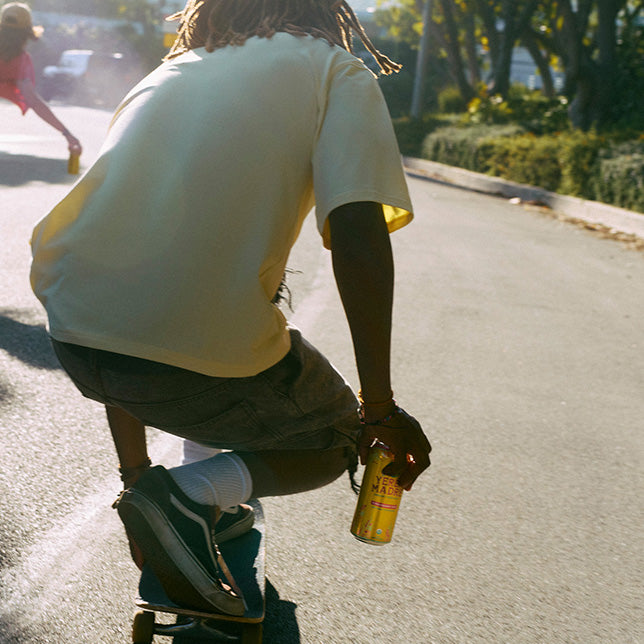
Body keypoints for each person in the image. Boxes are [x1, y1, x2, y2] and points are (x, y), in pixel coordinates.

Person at [29, 0, 431, 616]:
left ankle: (187, 503)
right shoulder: (334, 71)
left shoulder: (170, 72)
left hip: (76, 337)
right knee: (337, 435)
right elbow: (359, 237)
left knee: (209, 333)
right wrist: (378, 410)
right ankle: (192, 496)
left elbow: (126, 282)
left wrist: (137, 479)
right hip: (178, 352)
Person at [0, 2, 81, 154]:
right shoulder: (19, 60)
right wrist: (67, 134)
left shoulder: (19, 59)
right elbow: (34, 102)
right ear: (27, 32)